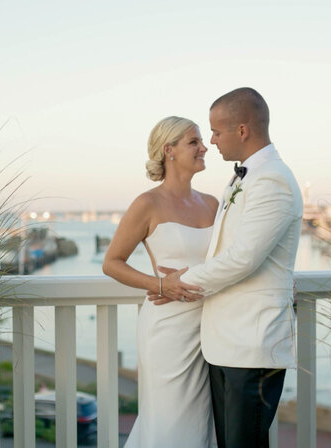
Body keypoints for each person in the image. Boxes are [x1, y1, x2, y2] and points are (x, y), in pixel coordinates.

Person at [150, 87, 303, 448]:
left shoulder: (272, 179)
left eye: (216, 132)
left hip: (252, 342)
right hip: (225, 344)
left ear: (243, 130)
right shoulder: (243, 178)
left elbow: (244, 257)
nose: (212, 141)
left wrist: (178, 281)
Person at [102, 116, 218, 447]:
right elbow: (112, 263)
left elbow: (232, 260)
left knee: (200, 426)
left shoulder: (212, 204)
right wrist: (161, 285)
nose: (204, 147)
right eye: (194, 142)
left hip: (211, 327)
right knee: (168, 423)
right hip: (167, 330)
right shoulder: (147, 203)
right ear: (169, 150)